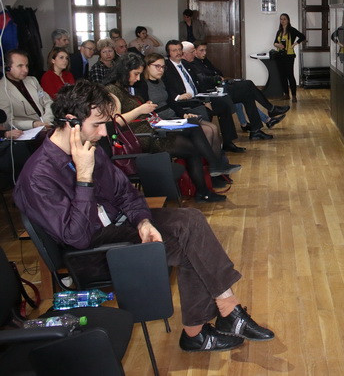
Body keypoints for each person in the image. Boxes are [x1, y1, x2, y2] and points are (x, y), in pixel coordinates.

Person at [13, 80, 275, 351]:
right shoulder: (38, 177)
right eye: (97, 125)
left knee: (192, 220)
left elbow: (126, 193)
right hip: (92, 253)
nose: (103, 133)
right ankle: (214, 321)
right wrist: (83, 177)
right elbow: (77, 237)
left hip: (120, 228)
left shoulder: (89, 146)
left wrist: (143, 220)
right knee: (192, 249)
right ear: (71, 121)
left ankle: (214, 321)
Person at [103, 53, 236, 202]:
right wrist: (139, 110)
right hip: (142, 139)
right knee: (192, 147)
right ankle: (210, 177)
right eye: (136, 74)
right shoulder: (112, 91)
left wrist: (146, 111)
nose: (138, 78)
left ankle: (208, 180)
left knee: (193, 129)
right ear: (124, 71)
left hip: (150, 131)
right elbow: (114, 123)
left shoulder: (124, 88)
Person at [162, 40, 271, 143]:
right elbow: (166, 88)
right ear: (168, 53)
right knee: (246, 86)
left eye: (179, 49)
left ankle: (230, 142)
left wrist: (206, 99)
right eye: (174, 50)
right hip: (186, 101)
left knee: (231, 101)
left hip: (201, 96)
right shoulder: (166, 68)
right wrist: (178, 97)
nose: (178, 52)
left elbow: (199, 83)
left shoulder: (186, 64)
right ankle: (268, 112)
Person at [135, 52, 230, 169]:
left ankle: (217, 167)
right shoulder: (142, 85)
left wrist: (184, 114)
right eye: (157, 66)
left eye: (163, 67)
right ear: (147, 66)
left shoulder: (161, 81)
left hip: (172, 116)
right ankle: (213, 166)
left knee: (213, 128)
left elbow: (171, 103)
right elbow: (147, 110)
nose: (161, 70)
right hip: (161, 120)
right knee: (208, 131)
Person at [187, 41, 289, 129]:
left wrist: (216, 77)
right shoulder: (194, 64)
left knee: (245, 92)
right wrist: (216, 78)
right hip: (213, 91)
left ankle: (252, 122)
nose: (204, 53)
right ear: (194, 51)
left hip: (219, 86)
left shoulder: (204, 60)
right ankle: (269, 112)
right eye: (201, 50)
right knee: (247, 87)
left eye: (205, 50)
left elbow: (218, 72)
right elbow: (206, 79)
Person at [0, 49, 53, 130]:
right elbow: (7, 122)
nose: (26, 70)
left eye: (27, 65)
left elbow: (48, 101)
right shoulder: (2, 88)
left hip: (47, 124)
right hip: (27, 131)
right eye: (20, 66)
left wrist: (47, 119)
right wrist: (33, 124)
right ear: (7, 68)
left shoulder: (32, 80)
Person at [273, 13, 306, 102]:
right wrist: (278, 45)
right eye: (281, 19)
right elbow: (274, 42)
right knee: (282, 76)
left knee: (290, 75)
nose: (282, 21)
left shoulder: (292, 30)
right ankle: (286, 94)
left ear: (288, 20)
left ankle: (294, 95)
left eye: (284, 19)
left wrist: (294, 44)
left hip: (289, 56)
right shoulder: (279, 31)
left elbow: (302, 37)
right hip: (280, 55)